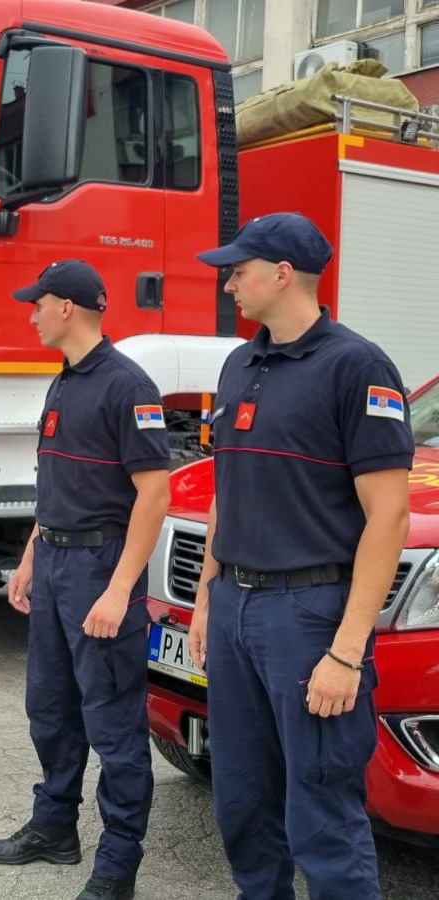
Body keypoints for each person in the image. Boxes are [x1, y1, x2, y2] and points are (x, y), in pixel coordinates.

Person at [192, 213, 413, 900]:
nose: (230, 283)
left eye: (240, 270)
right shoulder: (238, 364)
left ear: (283, 274)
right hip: (234, 605)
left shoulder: (358, 367)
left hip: (308, 615)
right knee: (241, 800)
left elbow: (389, 516)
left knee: (321, 812)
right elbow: (225, 489)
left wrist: (346, 652)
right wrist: (205, 598)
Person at [0, 261, 171, 900]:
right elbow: (56, 485)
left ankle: (118, 865)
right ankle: (55, 826)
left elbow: (154, 495)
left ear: (66, 307)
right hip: (57, 563)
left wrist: (119, 590)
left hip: (100, 568)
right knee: (51, 709)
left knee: (113, 723)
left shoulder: (127, 385)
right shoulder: (63, 382)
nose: (30, 314)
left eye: (36, 304)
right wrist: (31, 556)